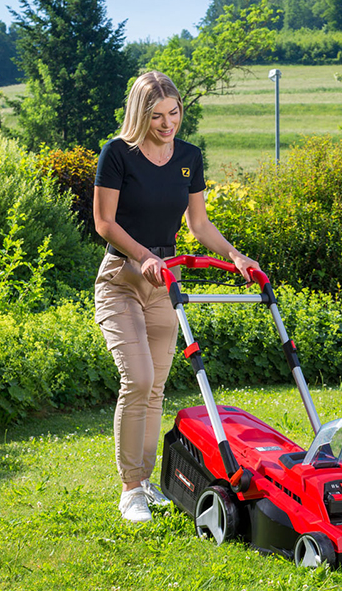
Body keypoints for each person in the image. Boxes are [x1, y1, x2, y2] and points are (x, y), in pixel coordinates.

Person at [93, 71, 260, 523]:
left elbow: (198, 225)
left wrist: (236, 255)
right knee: (139, 380)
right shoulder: (117, 154)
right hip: (122, 280)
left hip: (165, 282)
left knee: (156, 388)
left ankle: (146, 482)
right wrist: (144, 256)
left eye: (174, 113)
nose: (168, 124)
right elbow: (104, 223)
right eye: (156, 116)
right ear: (139, 114)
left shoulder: (189, 157)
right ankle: (130, 489)